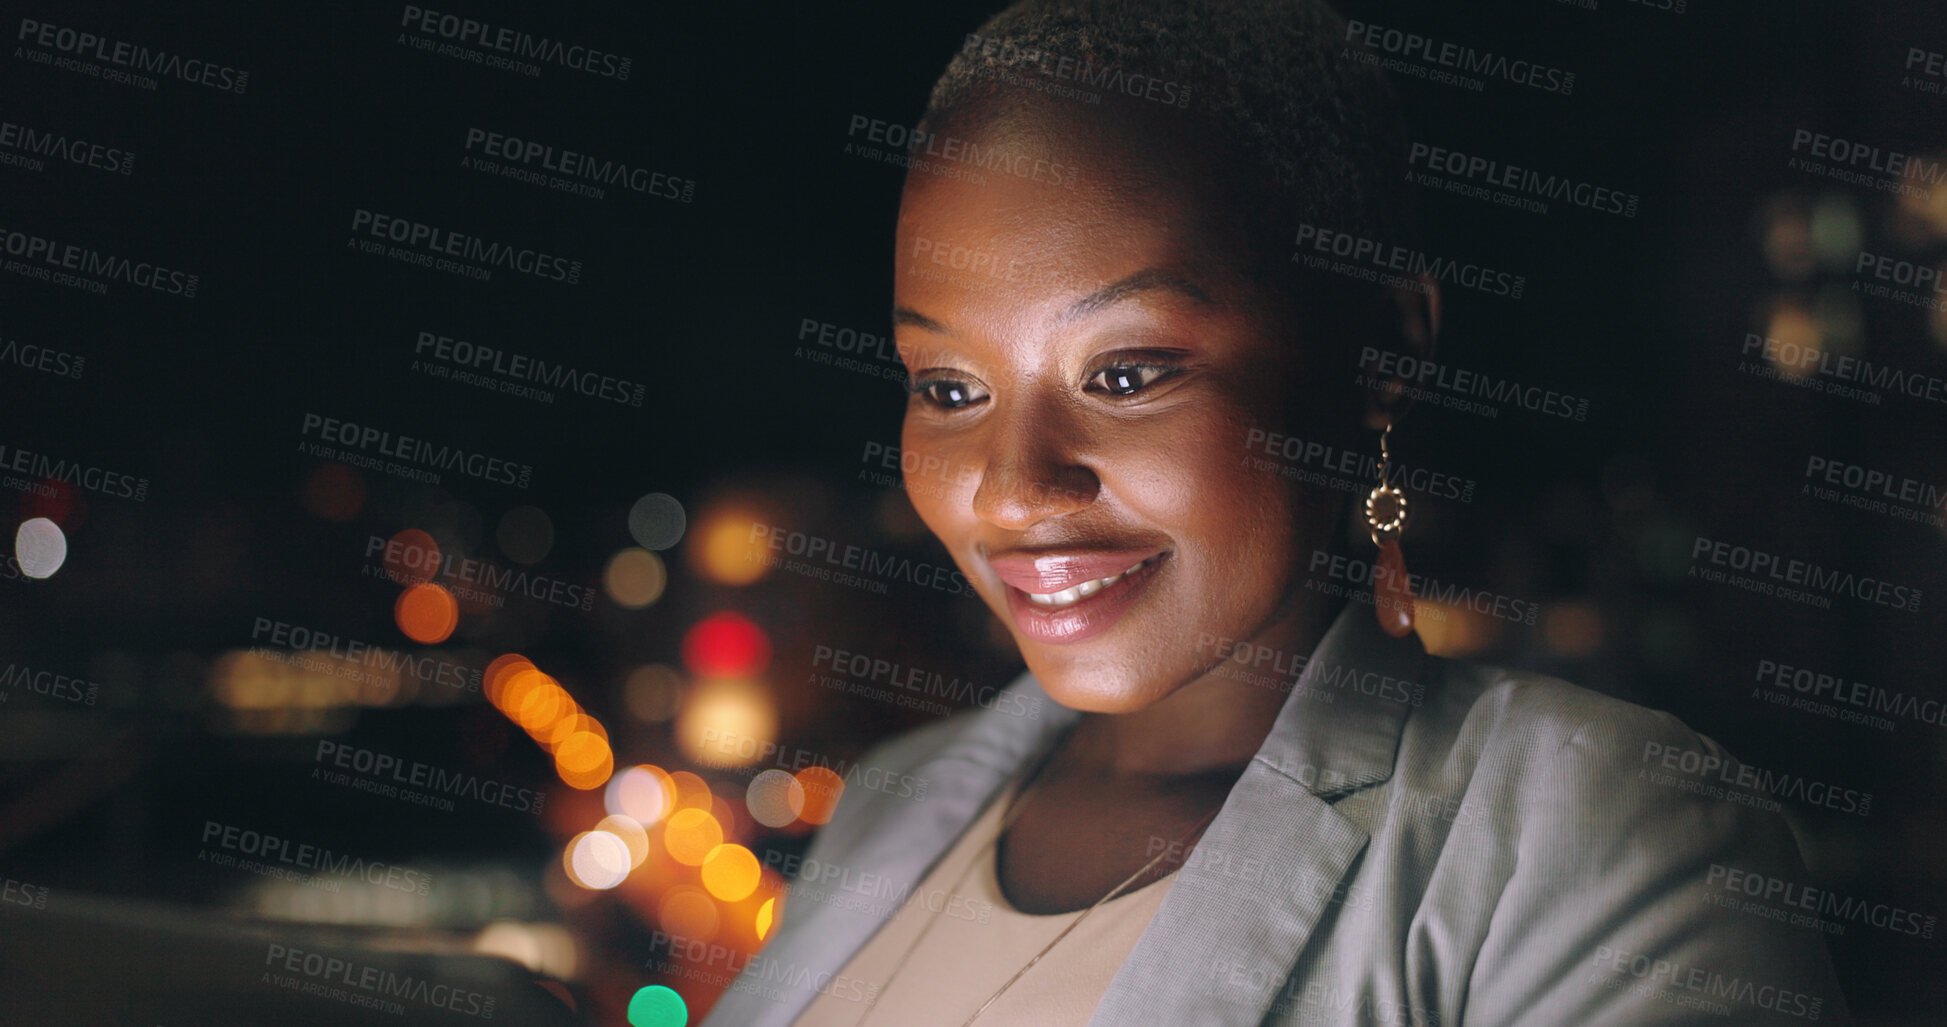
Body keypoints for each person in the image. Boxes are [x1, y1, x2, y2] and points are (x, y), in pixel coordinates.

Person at [703, 1, 1850, 1023]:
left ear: (1382, 351)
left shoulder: (1593, 836)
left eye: (1128, 371)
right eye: (950, 389)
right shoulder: (893, 801)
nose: (1013, 487)